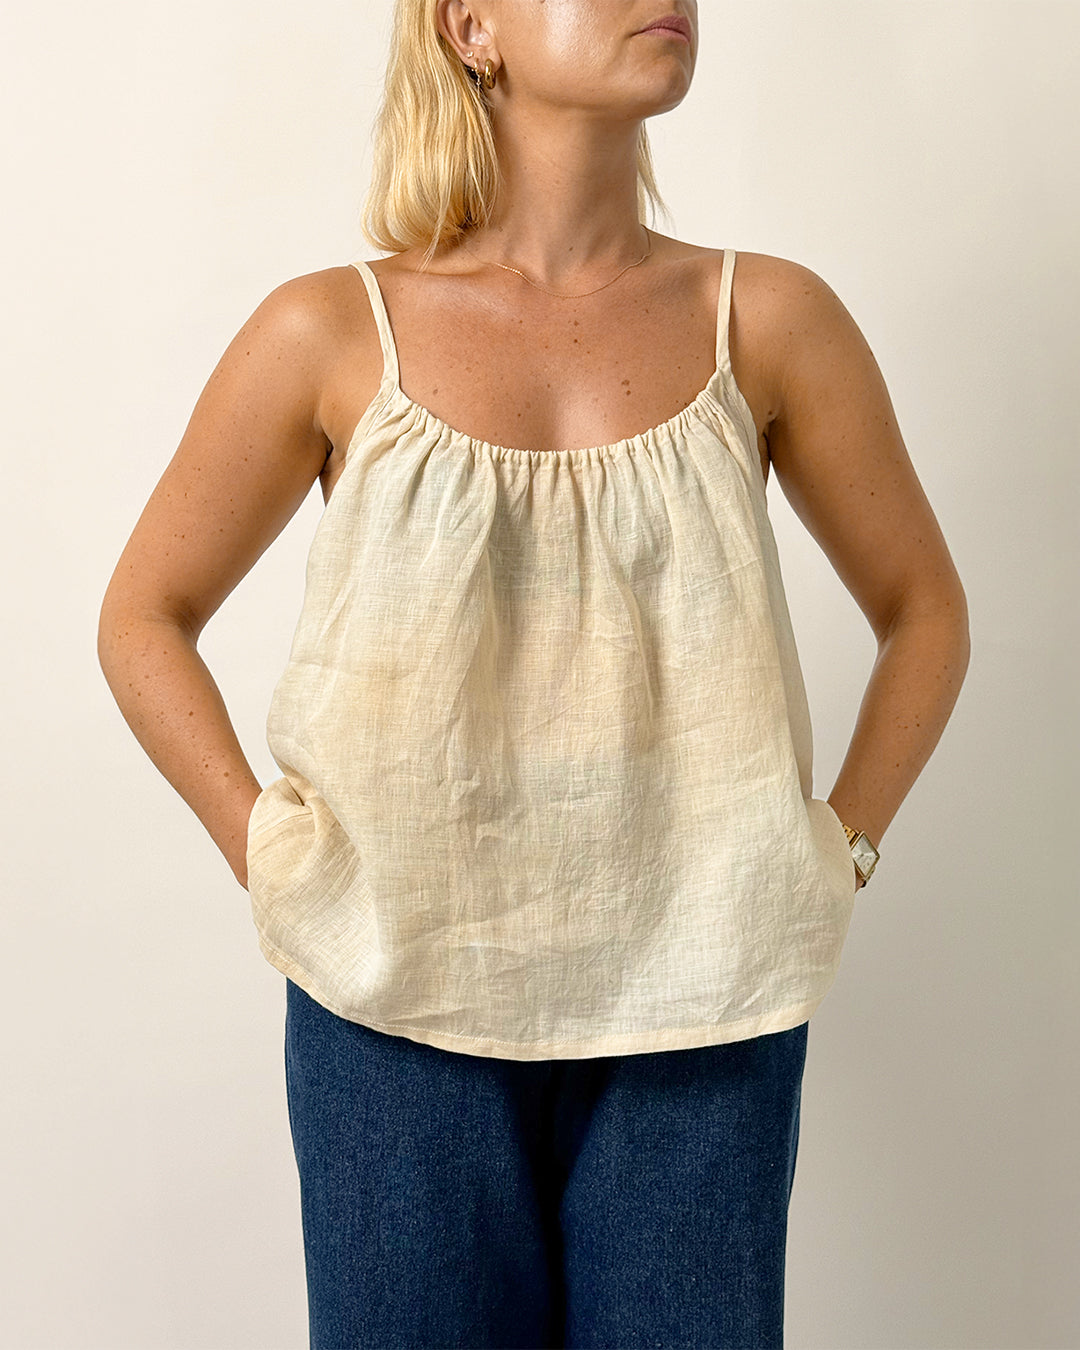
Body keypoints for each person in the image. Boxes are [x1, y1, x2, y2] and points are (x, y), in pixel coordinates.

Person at [97, 2, 971, 1346]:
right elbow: (144, 613)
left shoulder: (772, 320)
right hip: (392, 1018)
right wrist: (266, 847)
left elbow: (924, 609)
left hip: (708, 1013)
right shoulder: (330, 333)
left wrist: (836, 851)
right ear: (471, 26)